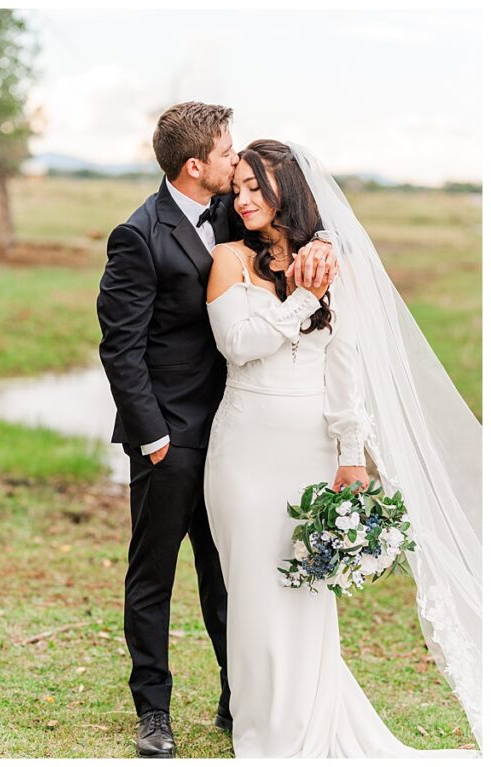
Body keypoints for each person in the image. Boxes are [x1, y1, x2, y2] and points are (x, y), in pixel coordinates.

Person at [203, 139, 480, 757]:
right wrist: (302, 297)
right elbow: (237, 344)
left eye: (257, 188)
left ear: (289, 193)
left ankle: (309, 722)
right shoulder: (226, 259)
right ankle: (262, 728)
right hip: (243, 446)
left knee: (305, 588)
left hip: (309, 446)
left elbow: (344, 368)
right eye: (238, 187)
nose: (243, 199)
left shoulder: (336, 263)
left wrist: (350, 454)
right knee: (249, 590)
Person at [96, 102, 335, 758]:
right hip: (170, 435)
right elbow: (121, 349)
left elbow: (284, 230)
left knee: (228, 570)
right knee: (154, 575)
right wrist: (153, 439)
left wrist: (320, 244)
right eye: (229, 153)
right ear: (196, 165)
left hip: (239, 432)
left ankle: (240, 696)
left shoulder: (233, 213)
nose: (238, 163)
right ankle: (153, 710)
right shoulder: (137, 235)